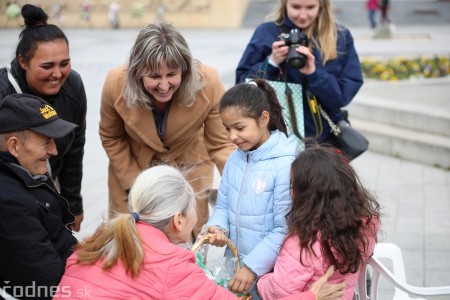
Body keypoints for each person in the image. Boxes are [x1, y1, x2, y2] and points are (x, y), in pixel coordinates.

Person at [54, 164, 343, 300]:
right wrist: (310, 297)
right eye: (194, 206)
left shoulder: (97, 242)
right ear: (178, 220)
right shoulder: (171, 265)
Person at [99, 21, 236, 235]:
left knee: (186, 247)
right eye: (154, 76)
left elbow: (220, 145)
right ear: (137, 72)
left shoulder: (208, 82)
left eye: (172, 74)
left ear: (185, 70)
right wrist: (136, 182)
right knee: (132, 246)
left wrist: (240, 185)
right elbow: (111, 136)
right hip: (133, 171)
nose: (164, 86)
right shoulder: (114, 83)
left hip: (188, 171)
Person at [206, 79, 301, 299]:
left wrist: (251, 267)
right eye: (227, 129)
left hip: (270, 273)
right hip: (236, 266)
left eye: (239, 128)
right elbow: (222, 205)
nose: (232, 136)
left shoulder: (286, 164)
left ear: (264, 119)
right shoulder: (234, 160)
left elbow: (285, 228)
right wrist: (217, 226)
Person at [0, 4, 87, 232]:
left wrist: (72, 204)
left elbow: (75, 148)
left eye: (64, 64)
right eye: (47, 66)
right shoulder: (3, 93)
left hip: (49, 185)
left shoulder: (73, 85)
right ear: (23, 62)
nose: (57, 74)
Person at [257, 141, 381, 299]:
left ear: (307, 195)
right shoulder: (364, 227)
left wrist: (262, 280)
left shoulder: (304, 244)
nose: (290, 193)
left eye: (292, 186)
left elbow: (278, 292)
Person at [235, 0, 363, 149]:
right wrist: (271, 62)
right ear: (285, 4)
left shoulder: (340, 37)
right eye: (296, 7)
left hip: (323, 139)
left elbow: (340, 97)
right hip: (275, 138)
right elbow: (242, 85)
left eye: (310, 7)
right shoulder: (267, 32)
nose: (303, 15)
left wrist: (314, 73)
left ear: (321, 5)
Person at [0, 93, 79, 300]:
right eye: (46, 142)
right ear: (14, 146)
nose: (54, 150)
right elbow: (46, 284)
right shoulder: (9, 203)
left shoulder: (24, 173)